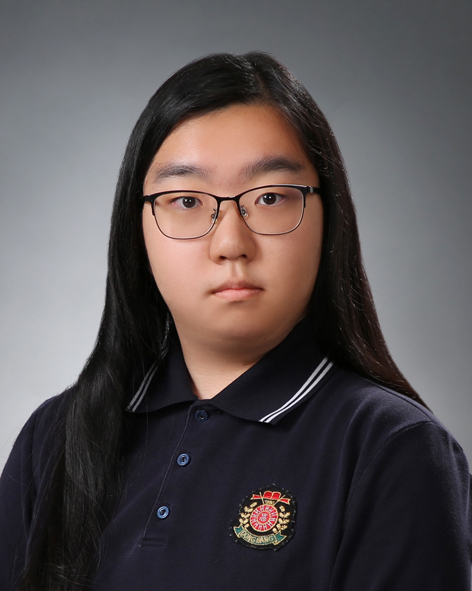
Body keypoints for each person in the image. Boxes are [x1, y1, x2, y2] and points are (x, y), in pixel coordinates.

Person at [0, 52, 470, 591]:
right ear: (137, 228)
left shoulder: (392, 447)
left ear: (330, 218)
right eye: (186, 200)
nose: (230, 243)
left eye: (270, 197)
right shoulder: (54, 438)